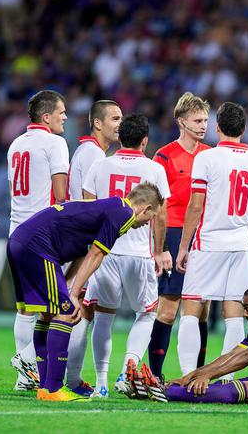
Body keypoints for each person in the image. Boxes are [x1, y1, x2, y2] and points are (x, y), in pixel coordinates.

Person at [6, 182, 164, 401]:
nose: (149, 222)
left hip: (22, 240)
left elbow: (85, 250)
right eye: (152, 216)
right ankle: (53, 389)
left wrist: (69, 284)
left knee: (48, 314)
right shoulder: (123, 214)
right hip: (38, 246)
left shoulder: (110, 207)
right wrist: (73, 294)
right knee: (67, 311)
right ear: (145, 208)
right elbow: (96, 255)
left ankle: (44, 388)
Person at [81, 114, 170, 398]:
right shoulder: (154, 168)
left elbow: (87, 209)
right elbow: (161, 216)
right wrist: (158, 251)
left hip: (107, 251)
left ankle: (101, 383)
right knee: (146, 313)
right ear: (145, 141)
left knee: (103, 317)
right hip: (139, 253)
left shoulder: (100, 165)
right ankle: (127, 370)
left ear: (120, 137)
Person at [176, 102, 248, 380]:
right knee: (235, 314)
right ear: (244, 128)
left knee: (190, 309)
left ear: (217, 128)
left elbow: (196, 205)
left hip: (209, 243)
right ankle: (225, 379)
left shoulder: (207, 158)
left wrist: (183, 246)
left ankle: (189, 377)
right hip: (240, 246)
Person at [123, 284, 248, 406]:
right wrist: (189, 377)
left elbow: (246, 358)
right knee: (228, 385)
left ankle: (164, 391)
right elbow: (232, 355)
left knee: (231, 391)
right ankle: (160, 388)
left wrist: (207, 375)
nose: (245, 314)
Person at [7, 90, 70, 391]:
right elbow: (60, 196)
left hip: (15, 231)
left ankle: (24, 377)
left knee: (26, 307)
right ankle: (31, 366)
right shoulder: (55, 143)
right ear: (46, 117)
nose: (65, 117)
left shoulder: (16, 144)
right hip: (40, 236)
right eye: (61, 112)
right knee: (56, 307)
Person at [147, 92, 210, 379]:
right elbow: (155, 204)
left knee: (201, 310)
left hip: (203, 235)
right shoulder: (164, 155)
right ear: (181, 121)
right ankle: (156, 374)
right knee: (169, 309)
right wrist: (159, 247)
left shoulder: (210, 155)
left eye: (206, 120)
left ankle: (196, 375)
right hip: (173, 233)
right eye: (197, 120)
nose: (203, 125)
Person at [63, 99, 122, 397]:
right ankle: (70, 378)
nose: (119, 123)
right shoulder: (95, 156)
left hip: (78, 237)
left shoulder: (87, 151)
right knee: (81, 309)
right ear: (97, 123)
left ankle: (67, 376)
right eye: (114, 118)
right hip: (85, 241)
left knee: (79, 308)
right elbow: (89, 204)